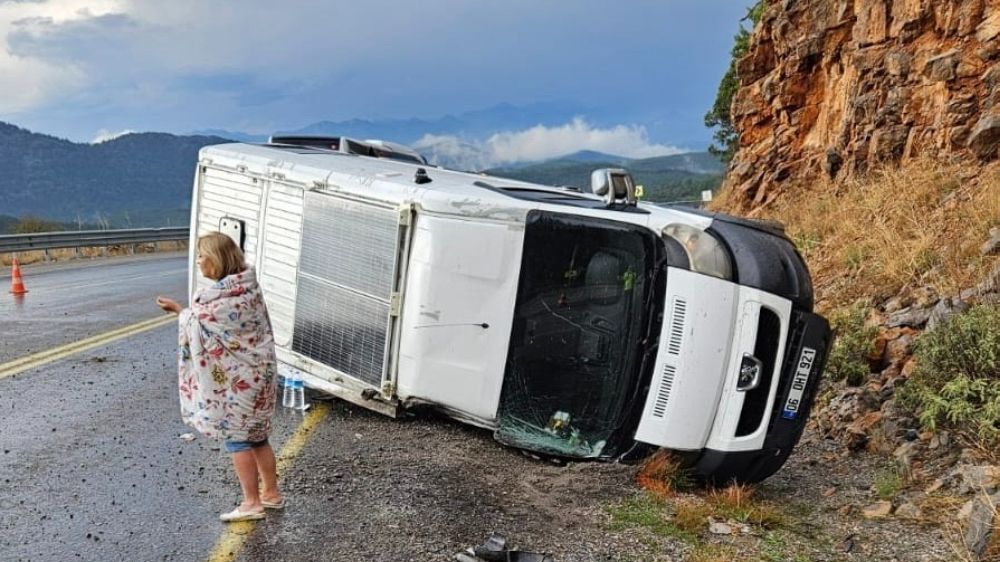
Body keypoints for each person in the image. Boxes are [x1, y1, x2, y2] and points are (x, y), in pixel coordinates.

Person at [156, 232, 283, 522]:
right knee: (258, 436)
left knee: (237, 438)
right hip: (260, 373)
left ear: (216, 260)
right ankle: (272, 494)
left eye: (202, 256)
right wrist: (186, 312)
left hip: (241, 380)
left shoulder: (223, 297)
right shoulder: (248, 287)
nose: (199, 262)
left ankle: (251, 502)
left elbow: (200, 322)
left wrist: (179, 311)